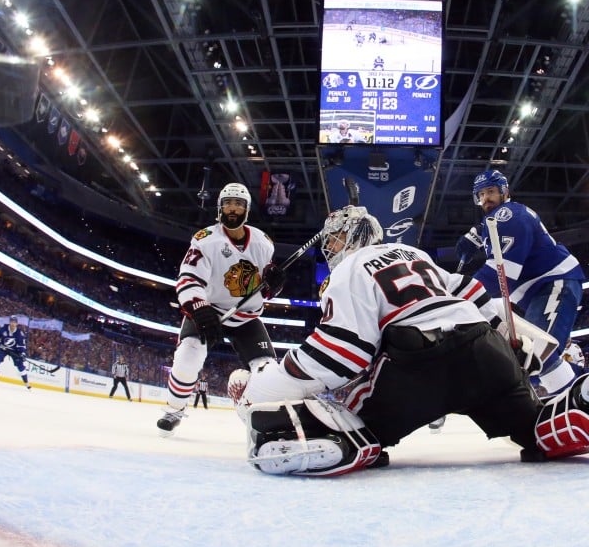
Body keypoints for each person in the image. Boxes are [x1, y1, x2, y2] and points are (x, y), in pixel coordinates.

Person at [231, 205, 589, 477]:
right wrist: (516, 340)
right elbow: (476, 296)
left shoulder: (347, 272)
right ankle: (576, 407)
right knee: (533, 428)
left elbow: (342, 354)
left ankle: (348, 439)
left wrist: (275, 382)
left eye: (334, 239)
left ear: (349, 238)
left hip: (419, 364)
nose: (331, 247)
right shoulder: (416, 255)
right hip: (485, 351)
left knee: (355, 421)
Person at [157, 182, 286, 434]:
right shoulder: (205, 240)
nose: (233, 209)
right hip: (210, 310)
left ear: (246, 210)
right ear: (219, 208)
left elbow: (265, 286)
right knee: (188, 355)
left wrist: (274, 283)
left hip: (246, 317)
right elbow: (188, 279)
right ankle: (174, 410)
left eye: (238, 204)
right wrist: (199, 308)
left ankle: (268, 420)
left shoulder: (263, 242)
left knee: (267, 370)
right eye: (228, 203)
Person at [457, 170, 585, 396]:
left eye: (491, 192)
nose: (486, 198)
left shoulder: (507, 215)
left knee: (538, 353)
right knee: (532, 358)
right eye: (481, 194)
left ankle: (578, 404)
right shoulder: (497, 218)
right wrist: (476, 235)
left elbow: (501, 272)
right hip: (539, 290)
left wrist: (462, 295)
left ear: (505, 192)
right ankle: (575, 397)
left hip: (552, 283)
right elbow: (492, 236)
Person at [0, 315, 31, 389]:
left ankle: (26, 383)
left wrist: (23, 354)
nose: (12, 324)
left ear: (16, 324)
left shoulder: (19, 333)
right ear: (9, 322)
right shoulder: (3, 329)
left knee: (20, 366)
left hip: (14, 351)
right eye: (11, 322)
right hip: (3, 348)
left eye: (14, 322)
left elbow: (22, 346)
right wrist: (0, 345)